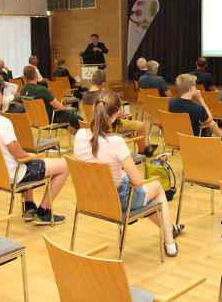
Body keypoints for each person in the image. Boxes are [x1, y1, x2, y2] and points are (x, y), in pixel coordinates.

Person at [73, 90, 184, 256]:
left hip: (91, 197)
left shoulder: (80, 134)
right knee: (157, 188)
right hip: (118, 201)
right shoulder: (116, 142)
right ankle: (170, 244)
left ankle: (169, 228)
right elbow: (138, 181)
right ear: (118, 113)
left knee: (144, 197)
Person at [0, 75, 69, 225]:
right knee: (64, 165)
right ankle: (44, 212)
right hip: (12, 175)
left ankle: (29, 206)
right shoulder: (2, 122)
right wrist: (32, 156)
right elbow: (18, 155)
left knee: (26, 160)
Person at [82, 69, 156, 157]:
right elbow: (118, 114)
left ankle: (141, 144)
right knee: (141, 125)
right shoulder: (105, 96)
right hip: (111, 126)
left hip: (93, 125)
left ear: (92, 81)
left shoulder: (85, 95)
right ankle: (142, 151)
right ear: (104, 83)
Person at [169, 74, 222, 145]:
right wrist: (201, 99)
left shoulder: (171, 102)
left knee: (206, 121)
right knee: (209, 122)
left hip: (176, 137)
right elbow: (210, 118)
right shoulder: (197, 108)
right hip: (193, 140)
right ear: (191, 88)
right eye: (195, 86)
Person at [21, 66, 81, 132]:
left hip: (34, 120)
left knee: (69, 119)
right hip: (50, 118)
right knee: (78, 119)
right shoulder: (41, 89)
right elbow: (57, 105)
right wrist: (67, 109)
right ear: (36, 75)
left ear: (25, 77)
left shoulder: (23, 90)